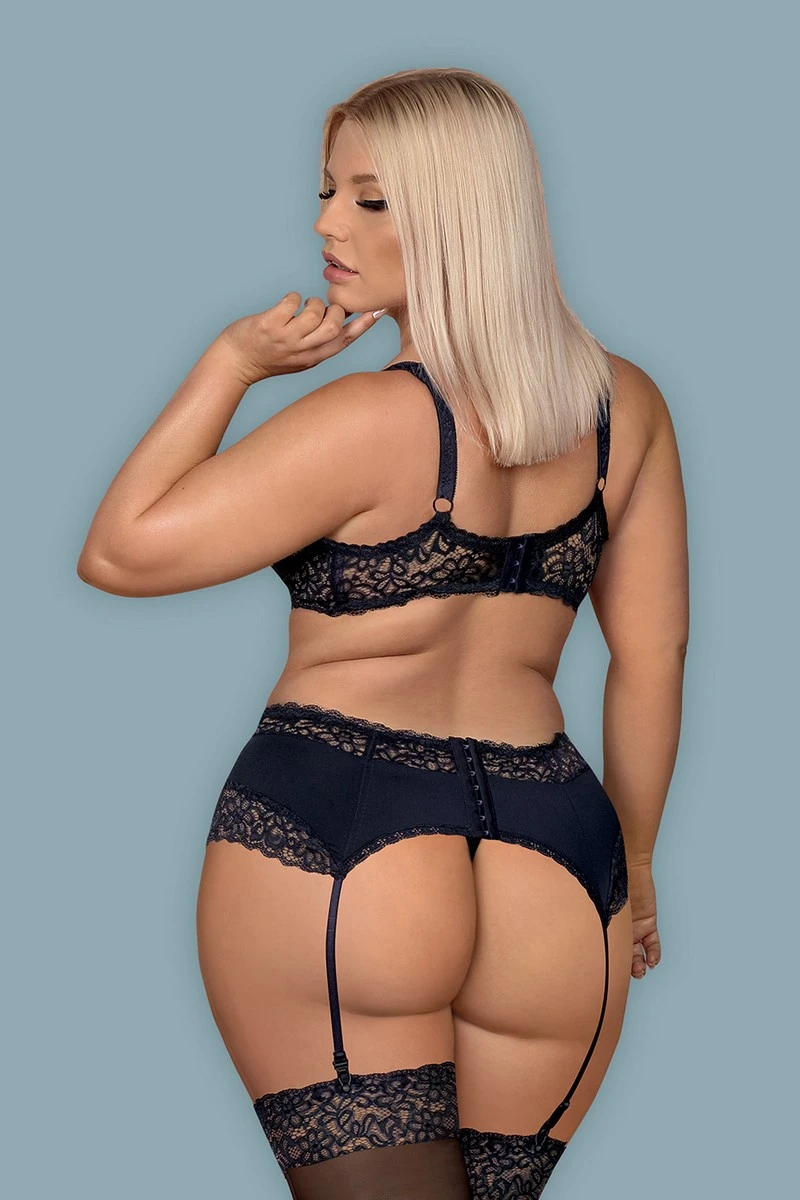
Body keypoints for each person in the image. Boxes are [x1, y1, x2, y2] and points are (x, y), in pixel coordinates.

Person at [77, 67, 688, 1200]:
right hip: (561, 863)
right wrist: (639, 867)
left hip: (341, 828)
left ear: (461, 215)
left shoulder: (365, 421)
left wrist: (230, 365)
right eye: (325, 193)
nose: (325, 225)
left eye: (368, 199)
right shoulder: (627, 411)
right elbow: (650, 660)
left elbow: (121, 553)